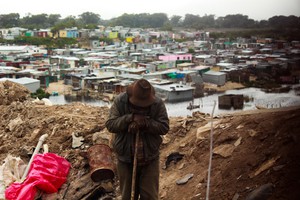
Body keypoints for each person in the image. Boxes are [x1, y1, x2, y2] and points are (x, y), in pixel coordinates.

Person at [105, 78, 169, 200]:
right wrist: (130, 118)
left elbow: (164, 127)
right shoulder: (121, 101)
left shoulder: (157, 104)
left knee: (150, 196)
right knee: (128, 196)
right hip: (125, 159)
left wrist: (146, 123)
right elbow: (110, 124)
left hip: (149, 159)